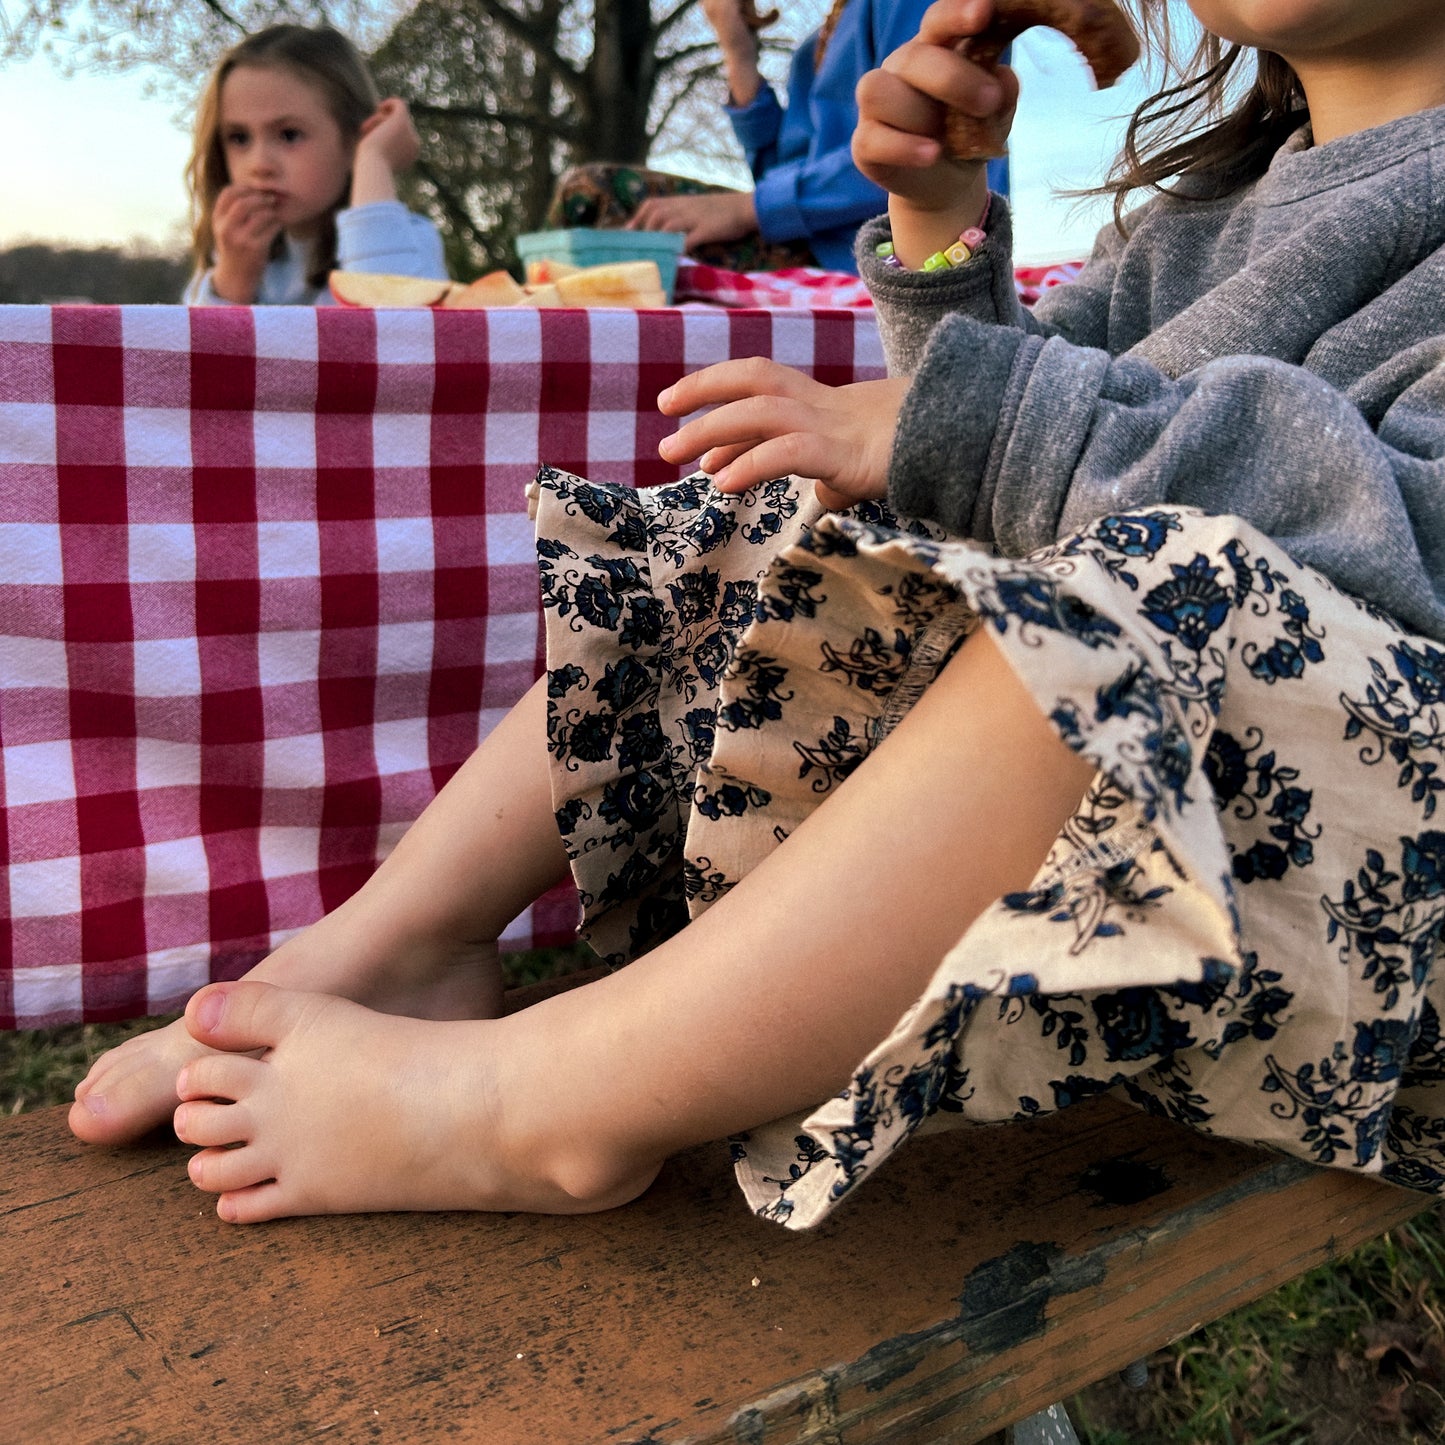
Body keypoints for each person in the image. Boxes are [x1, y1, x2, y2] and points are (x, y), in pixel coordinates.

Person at [71, 0, 1445, 1227]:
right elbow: (1014, 489)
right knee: (782, 514)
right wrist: (940, 225)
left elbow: (1376, 543)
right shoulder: (1206, 211)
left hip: (1374, 964)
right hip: (1133, 914)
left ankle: (540, 1103)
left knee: (1155, 606)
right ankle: (401, 943)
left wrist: (990, 426)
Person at [548, 0, 1005, 274]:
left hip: (876, 248)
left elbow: (921, 153)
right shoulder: (815, 45)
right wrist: (738, 54)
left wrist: (750, 206)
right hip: (812, 240)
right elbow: (777, 177)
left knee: (594, 195)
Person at [183, 25, 447, 305]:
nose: (259, 164)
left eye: (289, 135)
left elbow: (400, 333)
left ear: (354, 139)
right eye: (239, 138)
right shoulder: (226, 262)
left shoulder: (403, 241)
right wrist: (231, 283)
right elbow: (196, 348)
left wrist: (373, 160)